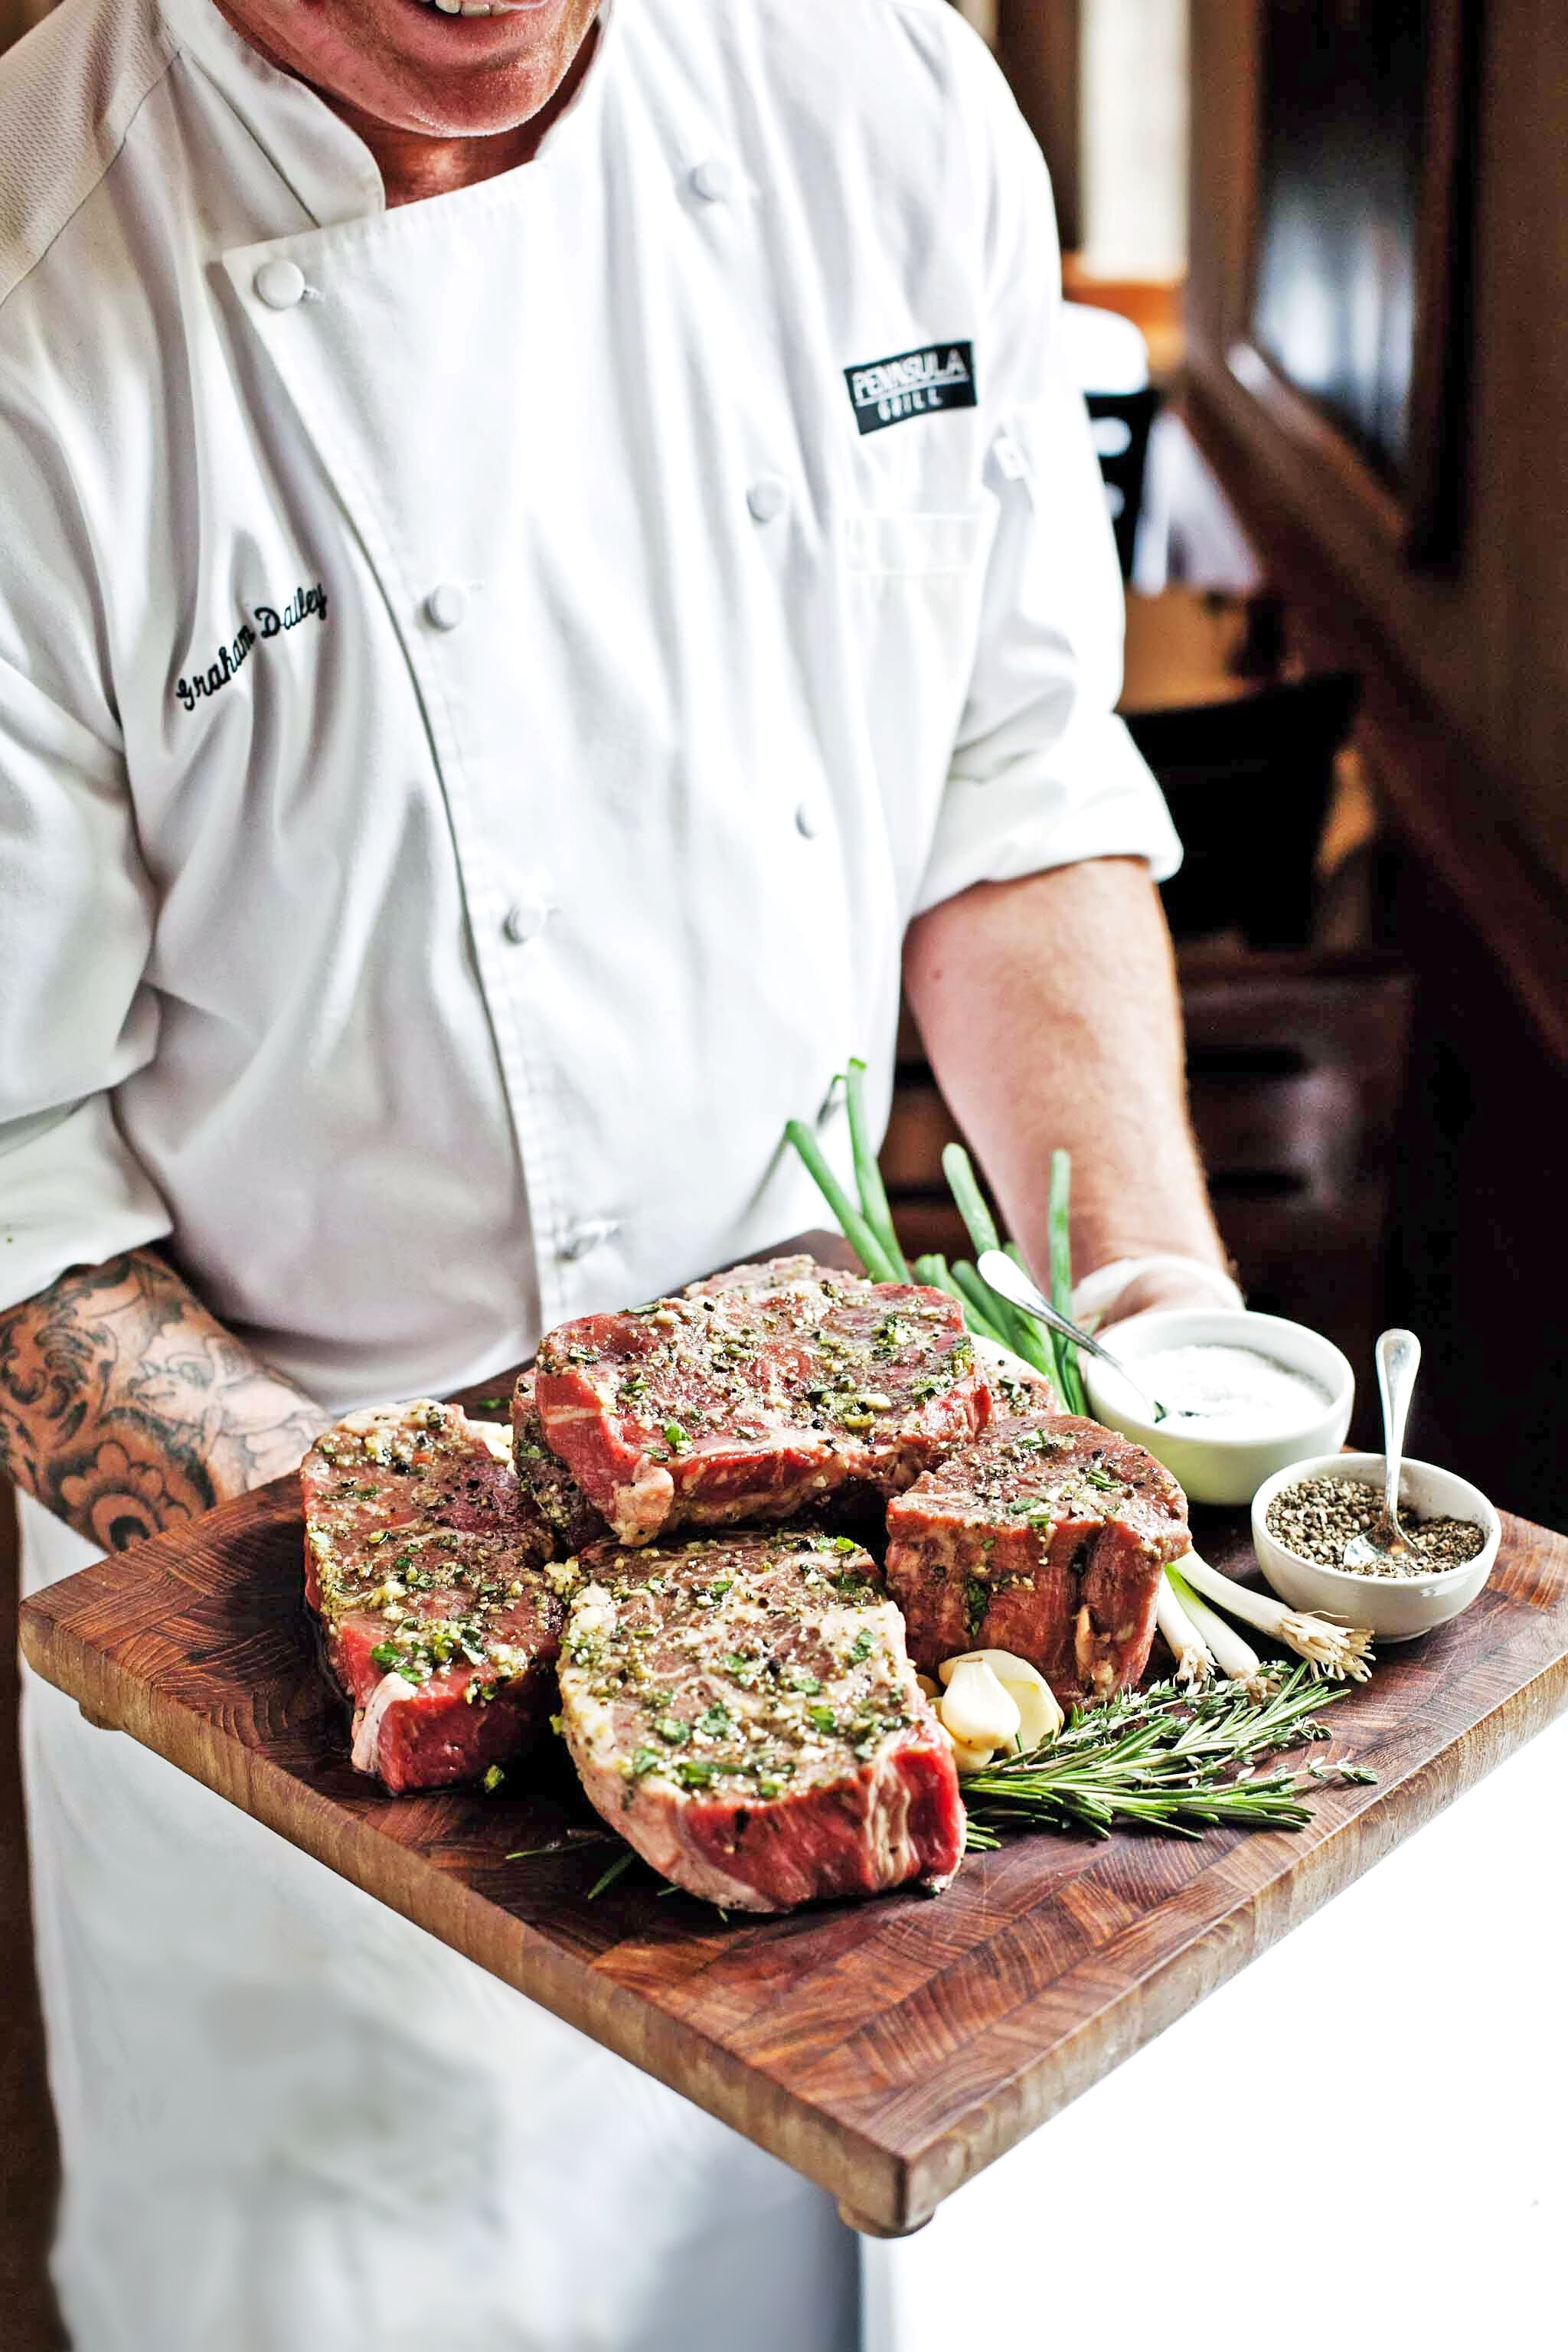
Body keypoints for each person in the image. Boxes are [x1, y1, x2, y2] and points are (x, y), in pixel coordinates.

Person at [0, 0, 1239, 2344]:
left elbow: (1008, 785)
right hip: (327, 1815)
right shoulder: (32, 294)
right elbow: (12, 1201)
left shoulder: (884, 101)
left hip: (896, 1711)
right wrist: (511, 1630)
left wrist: (1160, 1336)